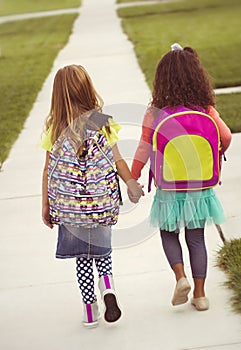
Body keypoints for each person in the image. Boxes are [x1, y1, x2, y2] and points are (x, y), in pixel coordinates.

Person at [131, 44, 232, 311]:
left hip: (169, 186)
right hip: (199, 186)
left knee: (168, 233)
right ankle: (200, 295)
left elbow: (143, 147)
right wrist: (218, 153)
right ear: (197, 76)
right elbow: (226, 137)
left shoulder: (154, 112)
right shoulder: (205, 108)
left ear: (161, 80)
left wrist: (133, 175)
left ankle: (180, 277)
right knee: (196, 238)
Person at [41, 64, 142, 327]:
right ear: (87, 90)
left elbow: (48, 171)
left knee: (82, 259)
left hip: (69, 208)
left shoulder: (54, 128)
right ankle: (107, 287)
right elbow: (117, 159)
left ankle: (89, 312)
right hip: (100, 204)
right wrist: (131, 183)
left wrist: (46, 205)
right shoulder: (102, 122)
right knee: (102, 252)